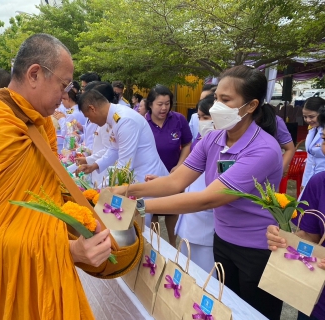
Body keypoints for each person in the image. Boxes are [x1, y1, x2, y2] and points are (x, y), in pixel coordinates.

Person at [113, 65, 284, 320]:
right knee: (227, 308)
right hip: (223, 240)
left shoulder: (263, 149)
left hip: (258, 249)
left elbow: (207, 198)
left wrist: (139, 207)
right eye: (216, 98)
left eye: (226, 100)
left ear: (250, 106)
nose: (216, 106)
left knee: (255, 313)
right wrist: (128, 189)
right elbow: (175, 182)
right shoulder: (213, 139)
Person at [0, 34, 112, 320]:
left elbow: (47, 193)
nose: (68, 94)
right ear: (34, 74)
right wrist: (69, 250)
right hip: (12, 263)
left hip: (41, 260)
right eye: (64, 85)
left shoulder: (40, 123)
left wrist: (82, 208)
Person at [266, 112, 325, 320]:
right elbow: (311, 235)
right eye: (324, 140)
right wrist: (285, 240)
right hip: (315, 297)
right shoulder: (319, 183)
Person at [76, 88, 169, 185]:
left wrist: (100, 190)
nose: (91, 121)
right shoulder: (113, 116)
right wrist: (94, 166)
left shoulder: (125, 121)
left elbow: (124, 165)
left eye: (88, 117)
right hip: (138, 176)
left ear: (92, 109)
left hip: (147, 177)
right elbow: (114, 149)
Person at [145, 85, 192, 247]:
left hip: (173, 176)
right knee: (153, 212)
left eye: (167, 103)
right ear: (150, 104)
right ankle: (156, 246)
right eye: (159, 104)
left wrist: (180, 165)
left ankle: (173, 244)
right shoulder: (143, 123)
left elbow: (187, 144)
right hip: (150, 177)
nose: (164, 108)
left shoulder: (179, 119)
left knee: (173, 210)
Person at [175, 93, 215, 273]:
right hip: (191, 213)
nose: (202, 122)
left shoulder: (225, 145)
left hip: (206, 215)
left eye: (206, 117)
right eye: (199, 117)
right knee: (187, 267)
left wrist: (143, 205)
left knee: (205, 274)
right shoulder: (202, 139)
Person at [75, 82, 118, 188]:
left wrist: (89, 160)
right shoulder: (105, 120)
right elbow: (112, 149)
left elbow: (112, 150)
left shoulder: (113, 121)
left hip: (106, 172)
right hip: (99, 166)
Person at [53, 81, 86, 152]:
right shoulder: (78, 110)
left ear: (68, 99)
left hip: (76, 147)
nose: (62, 103)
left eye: (62, 100)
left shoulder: (72, 114)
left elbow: (65, 133)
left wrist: (61, 119)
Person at [301, 97, 325, 189]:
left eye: (311, 116)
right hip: (312, 179)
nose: (307, 120)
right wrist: (304, 183)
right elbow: (310, 158)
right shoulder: (313, 129)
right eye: (305, 117)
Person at [79, 72, 101, 150]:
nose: (82, 92)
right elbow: (89, 134)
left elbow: (98, 145)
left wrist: (81, 149)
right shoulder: (90, 107)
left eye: (84, 89)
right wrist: (81, 132)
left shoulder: (100, 113)